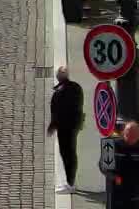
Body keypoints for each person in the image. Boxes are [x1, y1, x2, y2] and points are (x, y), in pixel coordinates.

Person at [46, 65, 83, 193]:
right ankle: (70, 181)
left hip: (64, 127)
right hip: (75, 125)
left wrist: (52, 126)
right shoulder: (77, 87)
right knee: (72, 153)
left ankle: (70, 184)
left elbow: (56, 113)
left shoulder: (59, 93)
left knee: (66, 154)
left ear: (58, 77)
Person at [103, 120, 139, 208]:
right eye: (128, 135)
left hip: (136, 196)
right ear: (124, 132)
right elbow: (103, 167)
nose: (130, 139)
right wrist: (114, 176)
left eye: (133, 137)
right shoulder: (110, 144)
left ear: (138, 135)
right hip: (116, 196)